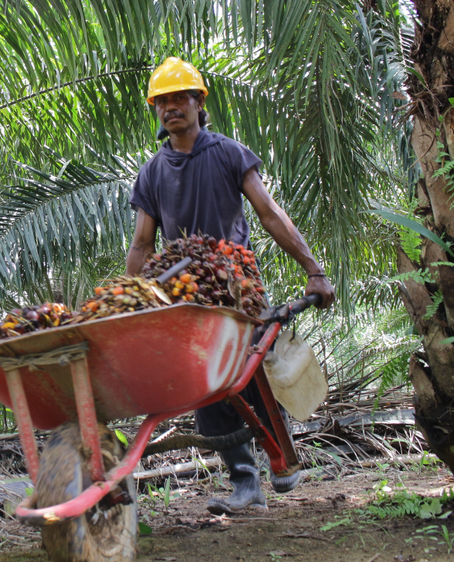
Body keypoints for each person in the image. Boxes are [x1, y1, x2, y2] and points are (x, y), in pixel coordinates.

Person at [126, 57, 335, 515]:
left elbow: (268, 212)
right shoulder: (151, 173)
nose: (171, 108)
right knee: (204, 389)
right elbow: (143, 244)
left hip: (236, 285)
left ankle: (281, 455)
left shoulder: (228, 152)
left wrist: (313, 268)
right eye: (162, 101)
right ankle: (245, 481)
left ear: (199, 102)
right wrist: (127, 297)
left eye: (180, 97)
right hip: (184, 294)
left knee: (252, 375)